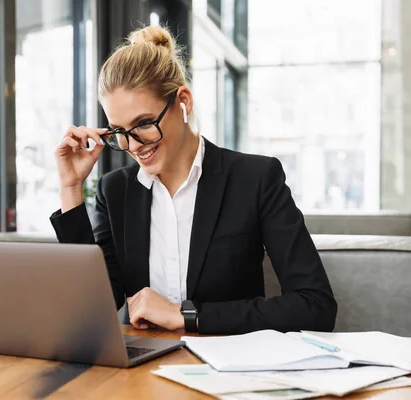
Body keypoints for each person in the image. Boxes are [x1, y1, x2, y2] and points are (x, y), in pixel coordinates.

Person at [50, 25, 337, 334]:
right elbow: (90, 311)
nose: (133, 145)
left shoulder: (255, 179)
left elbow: (315, 306)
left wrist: (187, 316)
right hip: (139, 375)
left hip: (226, 371)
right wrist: (70, 188)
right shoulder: (116, 191)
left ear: (182, 102)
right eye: (120, 132)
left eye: (144, 124)